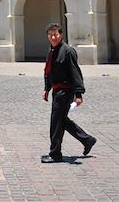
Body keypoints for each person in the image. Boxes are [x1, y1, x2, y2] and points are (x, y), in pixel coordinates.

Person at [41, 23, 97, 163]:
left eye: (56, 34)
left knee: (56, 122)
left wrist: (78, 94)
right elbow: (48, 72)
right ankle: (87, 140)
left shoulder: (68, 51)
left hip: (65, 92)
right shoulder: (51, 51)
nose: (53, 37)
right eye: (50, 35)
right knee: (61, 121)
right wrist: (47, 89)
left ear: (61, 35)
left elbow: (75, 73)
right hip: (56, 91)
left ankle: (55, 154)